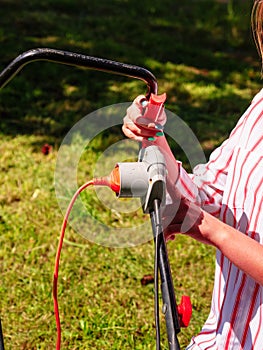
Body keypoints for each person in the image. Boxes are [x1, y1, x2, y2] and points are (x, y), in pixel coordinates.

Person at [122, 1, 263, 349]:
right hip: (221, 339)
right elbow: (209, 191)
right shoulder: (260, 109)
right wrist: (154, 136)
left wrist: (207, 228)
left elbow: (203, 217)